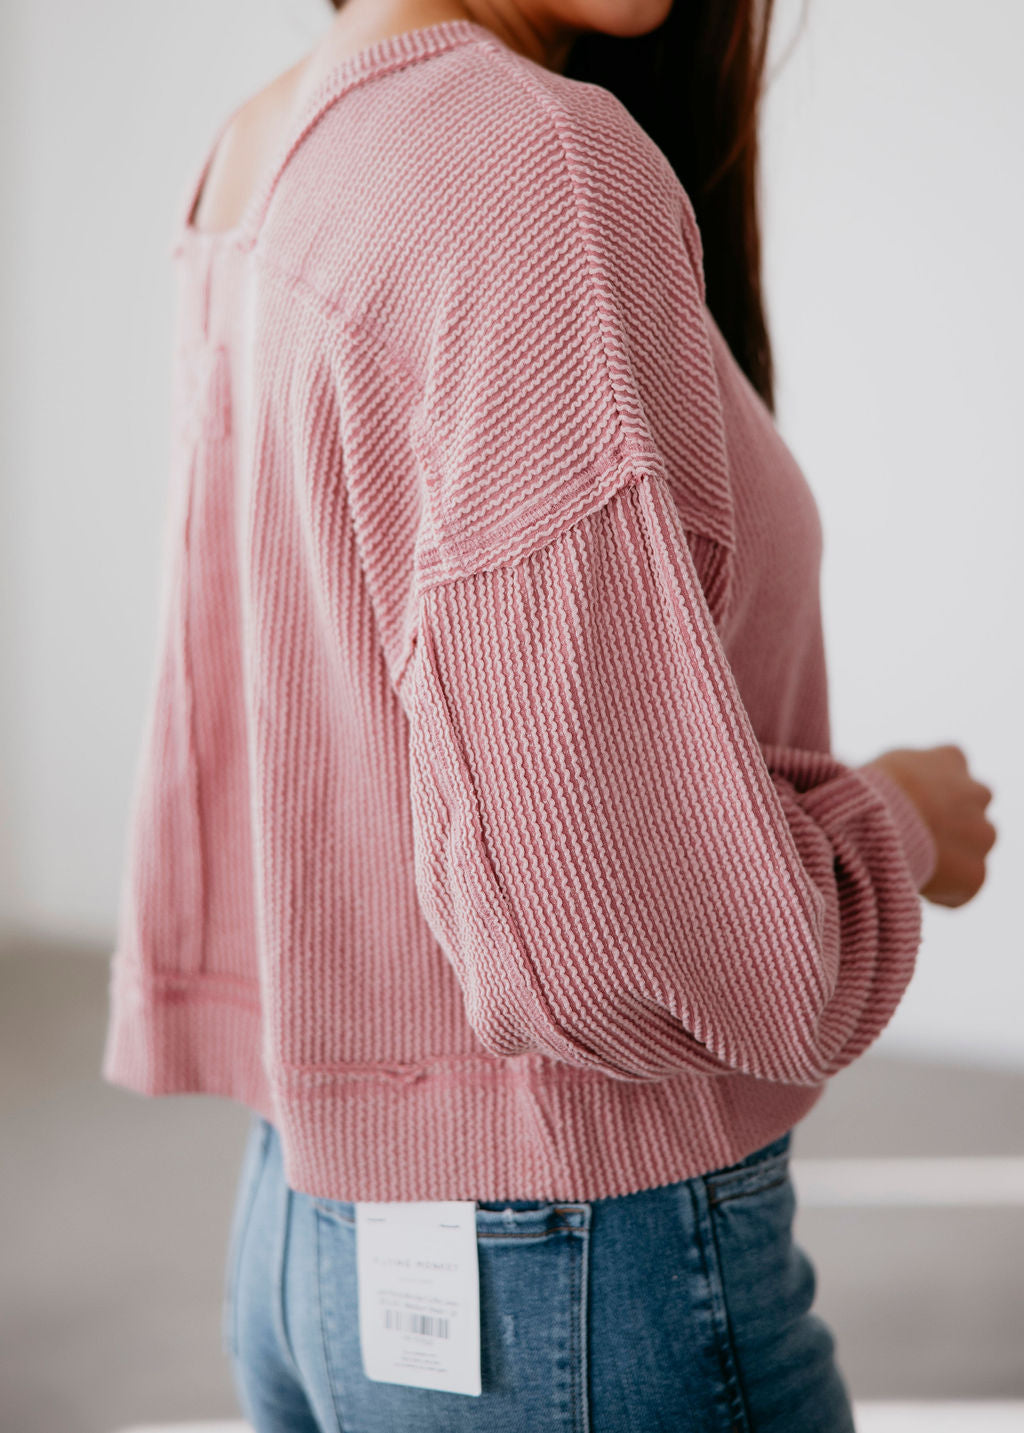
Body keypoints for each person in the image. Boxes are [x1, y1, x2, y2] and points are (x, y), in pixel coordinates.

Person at [100, 1, 998, 1429]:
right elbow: (626, 930)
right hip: (572, 1257)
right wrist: (895, 824)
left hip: (303, 1229)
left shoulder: (264, 142)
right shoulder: (526, 163)